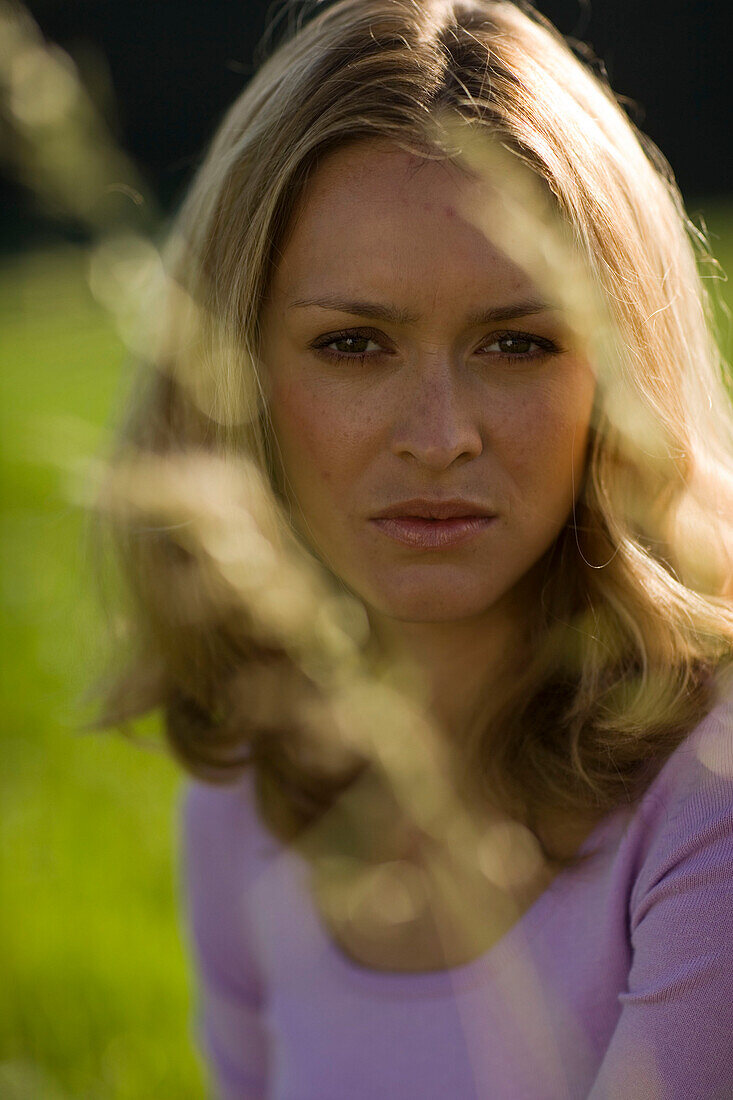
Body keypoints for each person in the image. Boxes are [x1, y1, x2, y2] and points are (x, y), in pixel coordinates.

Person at [97, 0, 733, 1096]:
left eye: (517, 343)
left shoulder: (709, 789)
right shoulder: (247, 791)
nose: (440, 436)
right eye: (353, 343)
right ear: (232, 374)